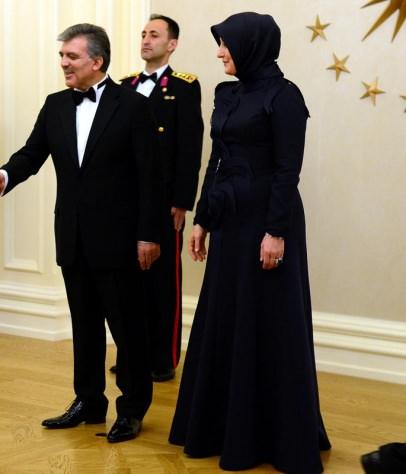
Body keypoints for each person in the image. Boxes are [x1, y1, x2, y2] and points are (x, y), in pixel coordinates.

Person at [168, 12, 331, 473]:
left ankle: (273, 438)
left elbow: (287, 170)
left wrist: (276, 232)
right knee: (226, 316)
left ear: (251, 46)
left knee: (268, 320)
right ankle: (221, 428)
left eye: (226, 43)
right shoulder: (227, 93)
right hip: (230, 220)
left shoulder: (285, 96)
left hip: (267, 223)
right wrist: (203, 219)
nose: (220, 52)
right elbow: (215, 160)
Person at [0, 23, 161, 443]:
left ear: (97, 61)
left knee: (128, 329)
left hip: (120, 240)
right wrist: (3, 177)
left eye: (72, 57)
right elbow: (31, 154)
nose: (63, 63)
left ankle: (132, 408)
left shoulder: (133, 106)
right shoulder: (55, 106)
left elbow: (151, 177)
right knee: (84, 326)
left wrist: (148, 235)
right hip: (73, 235)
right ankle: (88, 401)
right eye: (62, 56)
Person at [116, 14, 204, 382]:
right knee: (126, 281)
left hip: (166, 201)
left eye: (154, 35)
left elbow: (190, 147)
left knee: (163, 280)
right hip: (127, 200)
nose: (146, 40)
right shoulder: (125, 85)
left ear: (172, 44)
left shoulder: (184, 86)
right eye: (143, 34)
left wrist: (182, 201)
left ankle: (162, 357)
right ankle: (130, 355)